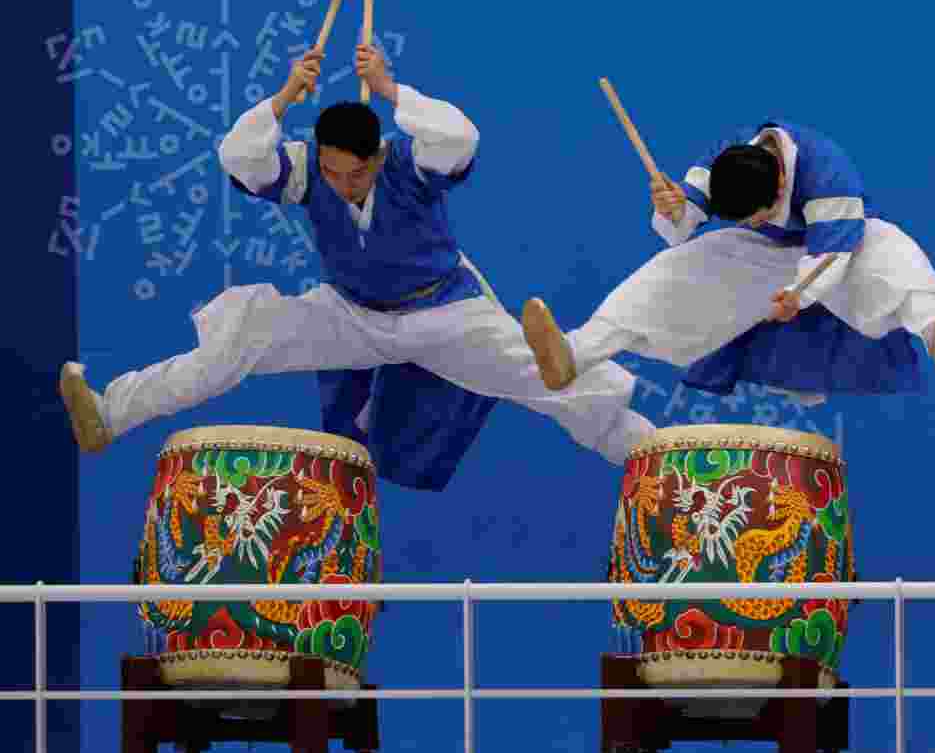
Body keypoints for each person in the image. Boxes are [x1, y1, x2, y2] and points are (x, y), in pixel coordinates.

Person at [59, 44, 654, 487]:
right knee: (234, 346)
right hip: (350, 314)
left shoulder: (408, 167)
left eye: (356, 173)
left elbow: (459, 137)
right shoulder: (303, 170)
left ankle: (656, 463)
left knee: (552, 380)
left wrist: (390, 89)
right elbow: (238, 156)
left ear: (379, 155)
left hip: (444, 311)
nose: (343, 185)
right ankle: (110, 412)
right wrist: (288, 94)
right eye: (333, 172)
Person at [522, 119, 935, 402]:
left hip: (838, 250)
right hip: (772, 259)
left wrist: (799, 295)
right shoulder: (730, 158)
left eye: (759, 217)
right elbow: (689, 214)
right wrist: (673, 207)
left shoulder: (828, 169)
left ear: (780, 187)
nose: (756, 222)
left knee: (891, 249)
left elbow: (831, 252)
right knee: (676, 268)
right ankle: (574, 354)